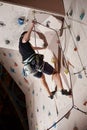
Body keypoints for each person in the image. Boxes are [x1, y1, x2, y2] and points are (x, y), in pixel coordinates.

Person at [19, 20, 72, 99]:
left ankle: (50, 94)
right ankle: (62, 91)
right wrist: (32, 25)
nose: (28, 38)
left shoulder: (22, 47)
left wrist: (43, 48)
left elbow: (33, 47)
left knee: (42, 77)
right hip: (36, 63)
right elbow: (25, 39)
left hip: (30, 68)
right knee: (54, 73)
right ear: (23, 36)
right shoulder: (22, 41)